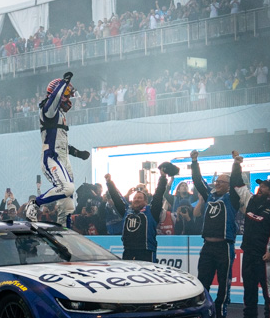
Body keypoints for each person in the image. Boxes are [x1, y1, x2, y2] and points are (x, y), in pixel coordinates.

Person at [230, 151, 270, 318]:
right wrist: (236, 165)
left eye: (263, 186)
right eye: (259, 186)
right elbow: (237, 184)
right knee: (249, 287)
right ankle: (250, 317)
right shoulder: (250, 201)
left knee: (268, 287)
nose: (259, 188)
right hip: (248, 252)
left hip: (265, 255)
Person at [25, 72, 90, 226]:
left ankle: (64, 230)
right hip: (51, 157)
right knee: (67, 188)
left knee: (68, 203)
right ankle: (34, 205)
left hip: (63, 158)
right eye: (67, 95)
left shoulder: (59, 114)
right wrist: (64, 82)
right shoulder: (47, 109)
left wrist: (77, 153)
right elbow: (53, 99)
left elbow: (61, 142)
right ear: (58, 94)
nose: (69, 100)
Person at [190, 149, 241, 318]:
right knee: (203, 279)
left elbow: (235, 181)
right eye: (217, 181)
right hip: (208, 246)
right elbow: (198, 181)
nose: (217, 183)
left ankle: (221, 310)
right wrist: (195, 162)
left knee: (223, 280)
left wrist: (235, 163)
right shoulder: (209, 196)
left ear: (228, 185)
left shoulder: (232, 198)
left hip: (224, 246)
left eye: (221, 181)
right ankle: (204, 309)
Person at [104, 165, 169, 262]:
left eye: (139, 198)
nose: (136, 200)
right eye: (134, 198)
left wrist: (163, 178)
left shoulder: (151, 211)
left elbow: (159, 194)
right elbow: (117, 198)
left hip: (146, 251)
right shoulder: (127, 211)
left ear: (145, 201)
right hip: (128, 251)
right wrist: (109, 183)